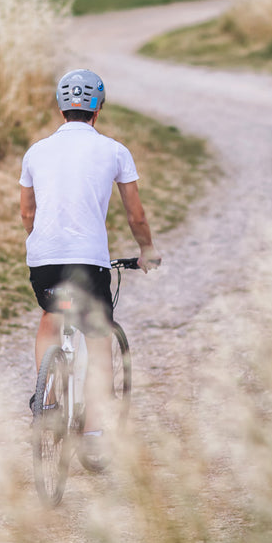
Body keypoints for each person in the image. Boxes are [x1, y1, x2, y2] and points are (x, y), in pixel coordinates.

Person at [20, 68, 161, 467]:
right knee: (97, 338)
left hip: (44, 261)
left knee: (52, 315)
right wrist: (146, 250)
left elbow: (26, 211)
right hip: (88, 260)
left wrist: (41, 241)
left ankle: (45, 399)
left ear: (60, 108)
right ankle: (94, 435)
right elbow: (136, 215)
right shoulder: (115, 151)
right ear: (98, 108)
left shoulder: (36, 151)